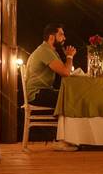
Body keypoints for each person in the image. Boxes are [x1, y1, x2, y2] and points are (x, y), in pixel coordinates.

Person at [26, 23, 78, 151]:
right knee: (69, 99)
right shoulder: (45, 51)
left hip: (43, 91)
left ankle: (68, 138)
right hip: (37, 93)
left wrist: (68, 58)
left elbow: (66, 71)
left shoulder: (51, 51)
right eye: (61, 34)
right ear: (51, 37)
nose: (64, 38)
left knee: (70, 96)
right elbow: (66, 73)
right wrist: (70, 56)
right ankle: (64, 141)